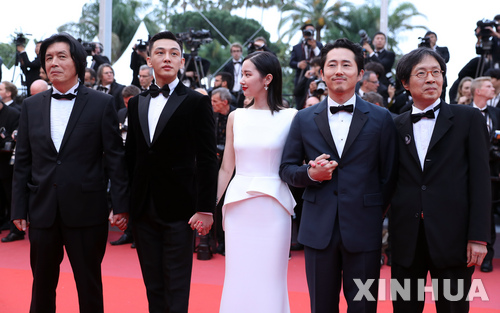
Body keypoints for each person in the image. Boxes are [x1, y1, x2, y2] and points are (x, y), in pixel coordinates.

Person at [11, 32, 129, 313]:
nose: (54, 63)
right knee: (41, 286)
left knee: (89, 286)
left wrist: (122, 205)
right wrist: (19, 208)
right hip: (43, 211)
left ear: (77, 61)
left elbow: (115, 158)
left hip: (87, 211)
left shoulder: (101, 104)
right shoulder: (30, 106)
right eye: (48, 58)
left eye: (61, 56)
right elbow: (23, 162)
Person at [280, 38, 398, 313]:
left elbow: (390, 174)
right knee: (321, 306)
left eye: (346, 64)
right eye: (331, 65)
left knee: (363, 306)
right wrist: (311, 174)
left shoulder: (381, 119)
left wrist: (372, 211)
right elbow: (286, 170)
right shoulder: (304, 118)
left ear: (359, 73)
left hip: (364, 228)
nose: (339, 71)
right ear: (322, 74)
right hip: (318, 229)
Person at [390, 48, 491, 313]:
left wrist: (479, 237)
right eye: (421, 73)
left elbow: (481, 182)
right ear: (405, 83)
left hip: (454, 239)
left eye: (437, 72)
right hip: (406, 239)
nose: (431, 79)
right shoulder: (394, 125)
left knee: (453, 308)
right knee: (405, 308)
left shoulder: (468, 119)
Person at [125, 31, 218, 313]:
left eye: (174, 53)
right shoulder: (138, 102)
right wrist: (124, 204)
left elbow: (206, 159)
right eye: (160, 52)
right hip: (142, 208)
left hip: (181, 209)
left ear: (181, 61)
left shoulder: (196, 101)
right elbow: (131, 157)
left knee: (177, 284)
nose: (167, 58)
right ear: (149, 59)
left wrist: (205, 208)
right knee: (152, 284)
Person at [217, 51, 296, 313]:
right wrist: (208, 207)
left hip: (274, 207)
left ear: (267, 79)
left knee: (270, 279)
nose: (241, 79)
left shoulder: (291, 117)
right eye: (242, 74)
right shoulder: (236, 117)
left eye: (248, 74)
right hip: (239, 207)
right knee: (238, 277)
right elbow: (227, 167)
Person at [469, 76, 498, 273]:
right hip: (467, 173)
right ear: (478, 91)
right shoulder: (461, 112)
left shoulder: (496, 113)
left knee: (489, 212)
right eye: (488, 86)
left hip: (494, 173)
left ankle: (488, 256)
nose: (493, 88)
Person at [0, 94, 21, 242]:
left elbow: (15, 138)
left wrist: (6, 139)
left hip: (9, 162)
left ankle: (16, 230)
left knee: (11, 195)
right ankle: (3, 222)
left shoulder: (14, 114)